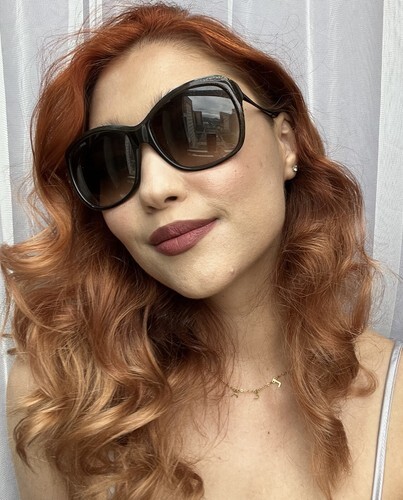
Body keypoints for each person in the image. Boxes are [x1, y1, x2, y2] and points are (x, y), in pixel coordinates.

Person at [2, 3, 402, 499]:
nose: (154, 189)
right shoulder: (62, 395)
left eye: (199, 129)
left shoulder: (395, 403)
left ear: (285, 144)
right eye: (111, 164)